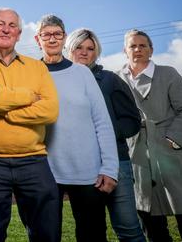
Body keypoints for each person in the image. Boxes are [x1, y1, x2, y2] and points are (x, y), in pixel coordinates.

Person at [118, 29, 182, 242]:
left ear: (151, 50)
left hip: (174, 155)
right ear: (125, 50)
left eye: (143, 45)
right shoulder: (117, 78)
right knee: (151, 225)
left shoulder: (168, 73)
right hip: (138, 158)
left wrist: (172, 139)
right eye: (133, 45)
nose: (138, 49)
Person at [0, 8, 60, 242]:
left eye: (12, 25)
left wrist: (8, 114)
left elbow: (50, 110)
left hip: (34, 160)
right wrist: (26, 97)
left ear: (19, 33)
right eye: (0, 23)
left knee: (48, 233)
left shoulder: (37, 67)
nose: (6, 29)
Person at [35, 14, 118, 242]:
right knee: (45, 236)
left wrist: (110, 168)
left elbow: (102, 121)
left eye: (57, 34)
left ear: (64, 38)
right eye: (46, 34)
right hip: (45, 170)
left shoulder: (81, 73)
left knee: (92, 235)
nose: (52, 39)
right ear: (37, 39)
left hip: (87, 173)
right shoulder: (31, 72)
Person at [65, 28, 145, 242]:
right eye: (79, 47)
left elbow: (131, 121)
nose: (84, 52)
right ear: (69, 49)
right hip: (83, 168)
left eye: (90, 49)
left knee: (128, 228)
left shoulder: (110, 80)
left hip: (117, 163)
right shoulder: (63, 82)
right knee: (90, 230)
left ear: (96, 53)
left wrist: (103, 133)